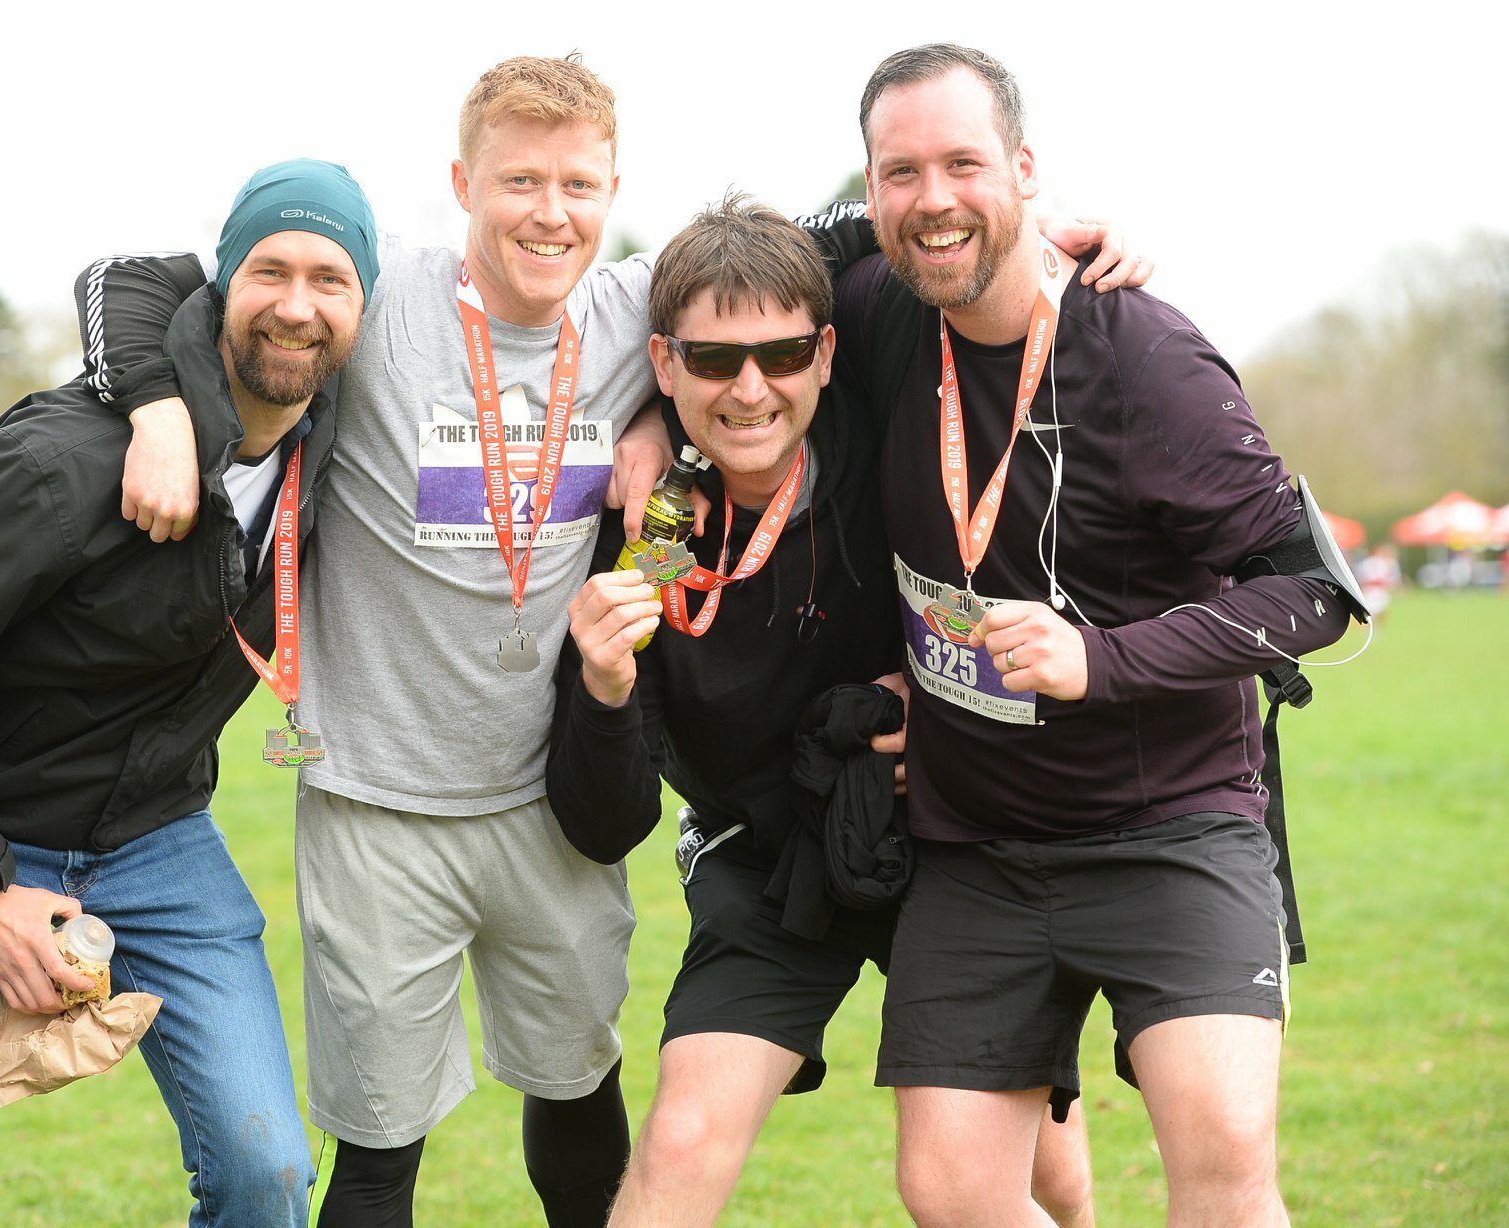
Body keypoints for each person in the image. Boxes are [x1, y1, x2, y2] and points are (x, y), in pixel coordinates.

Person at [76, 56, 1147, 1225]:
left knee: (579, 1092)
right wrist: (155, 410)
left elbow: (823, 239)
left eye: (578, 185)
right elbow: (130, 280)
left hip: (549, 806)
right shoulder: (369, 301)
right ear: (461, 183)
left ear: (612, 188)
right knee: (379, 1145)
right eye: (519, 181)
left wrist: (1043, 225)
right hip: (377, 796)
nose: (550, 212)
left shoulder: (635, 303)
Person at [832, 45, 1355, 1225]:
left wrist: (1102, 659)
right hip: (974, 845)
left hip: (1171, 822)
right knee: (951, 1191)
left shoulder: (1142, 352)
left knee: (1222, 1164)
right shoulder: (872, 310)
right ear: (868, 193)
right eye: (898, 173)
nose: (932, 200)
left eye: (964, 164)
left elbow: (1314, 589)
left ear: (1025, 168)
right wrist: (662, 439)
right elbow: (744, 274)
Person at [0, 158, 379, 1227]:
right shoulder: (60, 463)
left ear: (366, 305)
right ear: (220, 284)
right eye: (270, 271)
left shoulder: (344, 441)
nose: (299, 306)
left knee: (268, 1172)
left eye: (333, 279)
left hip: (157, 838)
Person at [548, 194, 1096, 1228]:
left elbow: (890, 218)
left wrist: (1060, 228)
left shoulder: (878, 409)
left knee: (1034, 1176)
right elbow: (602, 821)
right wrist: (604, 689)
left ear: (827, 352)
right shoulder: (647, 527)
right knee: (678, 1141)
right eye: (711, 363)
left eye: (782, 353)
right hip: (770, 860)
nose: (751, 389)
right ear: (663, 364)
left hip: (952, 839)